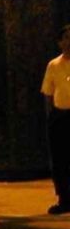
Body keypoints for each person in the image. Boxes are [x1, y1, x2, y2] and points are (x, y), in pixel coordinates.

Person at [42, 25, 70, 215]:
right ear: (60, 42)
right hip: (60, 116)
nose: (69, 41)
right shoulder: (53, 64)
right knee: (61, 159)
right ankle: (64, 199)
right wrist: (51, 116)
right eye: (66, 37)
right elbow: (48, 93)